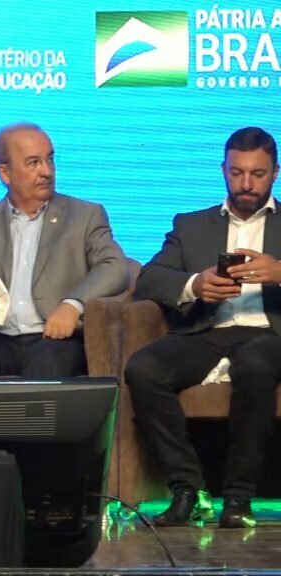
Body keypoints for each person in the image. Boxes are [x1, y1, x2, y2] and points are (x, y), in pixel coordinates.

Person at [125, 126, 281, 529]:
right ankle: (188, 490)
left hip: (269, 334)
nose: (246, 184)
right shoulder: (191, 224)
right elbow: (150, 278)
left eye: (258, 174)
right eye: (237, 173)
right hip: (205, 331)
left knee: (256, 365)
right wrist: (195, 285)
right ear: (223, 170)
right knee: (143, 369)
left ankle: (239, 496)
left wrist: (280, 272)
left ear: (275, 172)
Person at [0, 122, 126, 378]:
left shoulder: (85, 215)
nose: (46, 171)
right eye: (33, 163)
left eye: (50, 160)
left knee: (48, 361)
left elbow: (114, 266)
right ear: (5, 173)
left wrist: (73, 305)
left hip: (54, 338)